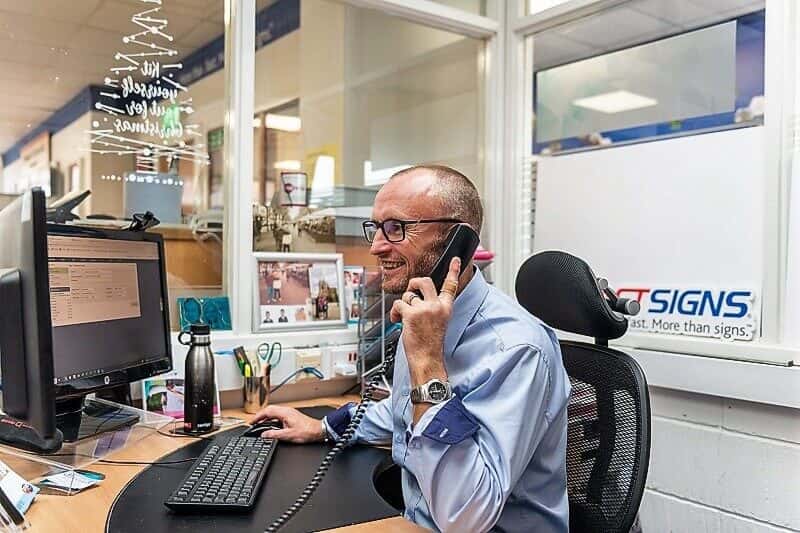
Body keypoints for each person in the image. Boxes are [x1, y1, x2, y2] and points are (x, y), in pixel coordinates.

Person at [252, 165, 570, 533]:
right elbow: (401, 410)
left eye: (396, 228)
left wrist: (426, 361)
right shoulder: (423, 314)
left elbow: (467, 516)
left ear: (458, 243)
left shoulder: (517, 349)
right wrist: (323, 426)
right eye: (375, 228)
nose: (376, 247)